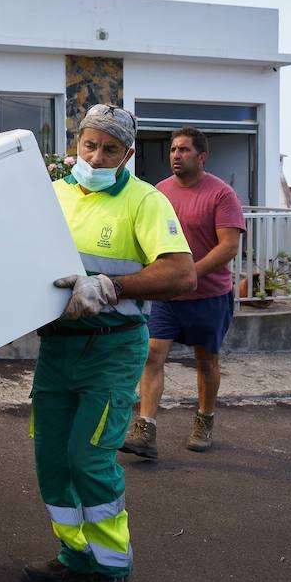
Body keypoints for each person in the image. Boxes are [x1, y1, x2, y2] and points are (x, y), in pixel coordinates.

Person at [21, 103, 195, 582]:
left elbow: (182, 274)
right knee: (52, 459)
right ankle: (74, 556)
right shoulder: (54, 194)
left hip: (114, 348)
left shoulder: (144, 200)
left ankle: (112, 571)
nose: (96, 156)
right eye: (89, 145)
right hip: (58, 348)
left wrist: (112, 286)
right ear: (77, 142)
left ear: (128, 153)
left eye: (110, 149)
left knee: (90, 459)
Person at [121, 127, 244, 457]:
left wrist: (189, 274)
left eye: (184, 150)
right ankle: (145, 429)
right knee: (153, 354)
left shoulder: (221, 195)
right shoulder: (159, 192)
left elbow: (229, 246)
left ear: (201, 156)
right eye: (173, 149)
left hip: (210, 296)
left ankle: (205, 419)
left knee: (206, 361)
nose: (176, 154)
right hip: (167, 298)